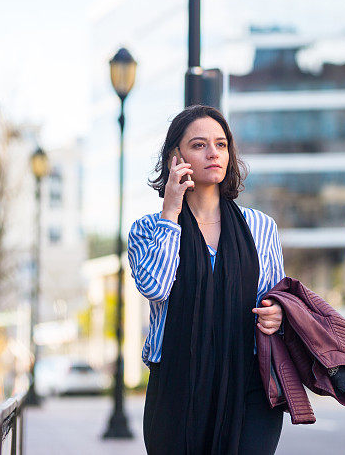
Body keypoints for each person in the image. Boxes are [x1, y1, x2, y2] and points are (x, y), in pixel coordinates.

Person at [129, 105, 286, 455]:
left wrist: (277, 315)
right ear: (176, 156)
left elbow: (276, 301)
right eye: (199, 145)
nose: (213, 153)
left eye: (221, 144)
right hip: (176, 389)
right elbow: (156, 287)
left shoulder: (260, 227)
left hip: (250, 387)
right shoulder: (147, 230)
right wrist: (171, 212)